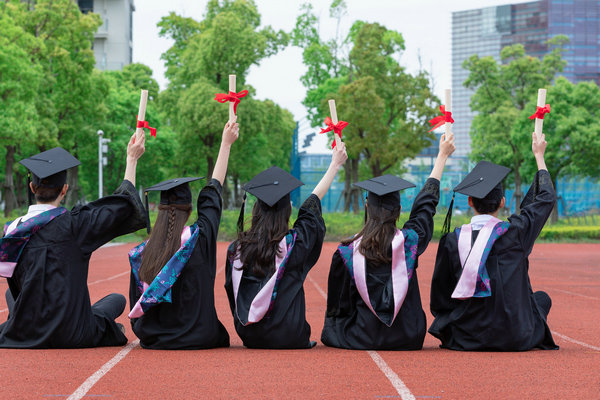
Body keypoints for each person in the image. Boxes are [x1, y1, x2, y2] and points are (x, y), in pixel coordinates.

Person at [0, 130, 147, 348]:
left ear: (32, 188)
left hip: (26, 330)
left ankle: (24, 322)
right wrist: (131, 159)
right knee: (117, 300)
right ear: (65, 189)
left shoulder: (11, 232)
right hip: (72, 331)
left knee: (11, 295)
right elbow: (121, 207)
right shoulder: (76, 225)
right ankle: (109, 328)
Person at [320, 133, 455, 350]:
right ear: (399, 210)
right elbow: (424, 207)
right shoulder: (409, 242)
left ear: (367, 206)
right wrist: (441, 156)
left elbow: (339, 306)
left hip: (360, 336)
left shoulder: (347, 252)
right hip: (408, 336)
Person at [429, 132, 558, 351]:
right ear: (502, 202)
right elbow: (545, 198)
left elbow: (440, 298)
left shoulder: (453, 240)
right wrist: (539, 155)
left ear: (469, 201)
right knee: (541, 299)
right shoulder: (516, 232)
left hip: (466, 336)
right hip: (515, 336)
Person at [224, 141, 348, 349]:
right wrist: (334, 164)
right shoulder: (295, 244)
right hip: (291, 335)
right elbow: (311, 205)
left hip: (250, 335)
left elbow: (231, 292)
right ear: (288, 210)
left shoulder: (237, 249)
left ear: (256, 209)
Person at [128, 119, 238, 349]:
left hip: (155, 338)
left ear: (159, 209)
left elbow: (135, 304)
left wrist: (131, 160)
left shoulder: (142, 253)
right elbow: (213, 191)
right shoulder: (201, 237)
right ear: (189, 211)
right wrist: (225, 144)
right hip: (200, 337)